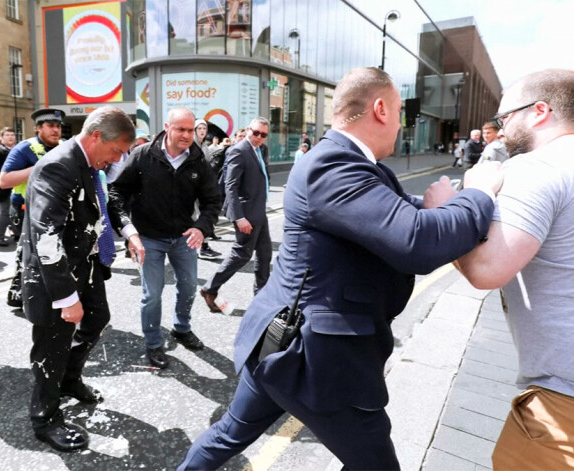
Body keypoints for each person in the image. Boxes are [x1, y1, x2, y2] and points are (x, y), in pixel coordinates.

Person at [178, 67, 503, 470]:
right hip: (314, 359)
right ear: (380, 109)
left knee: (228, 433)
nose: (402, 126)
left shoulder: (349, 162)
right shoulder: (333, 163)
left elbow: (389, 211)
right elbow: (417, 241)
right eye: (400, 113)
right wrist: (479, 192)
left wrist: (441, 207)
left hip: (280, 343)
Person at [454, 69, 574, 470]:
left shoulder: (540, 167)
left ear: (540, 111)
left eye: (505, 118)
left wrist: (464, 199)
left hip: (563, 405)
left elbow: (486, 270)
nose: (499, 130)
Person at [21, 106, 135, 452]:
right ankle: (45, 418)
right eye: (116, 151)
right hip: (54, 274)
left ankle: (69, 380)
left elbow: (97, 207)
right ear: (97, 136)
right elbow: (46, 234)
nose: (116, 159)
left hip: (82, 265)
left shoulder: (87, 161)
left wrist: (127, 233)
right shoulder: (60, 164)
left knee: (98, 319)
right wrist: (66, 297)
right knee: (52, 345)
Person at [108, 107, 221, 369]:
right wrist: (128, 231)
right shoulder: (143, 154)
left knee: (189, 285)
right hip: (149, 238)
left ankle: (181, 328)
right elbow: (117, 193)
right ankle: (154, 343)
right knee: (152, 295)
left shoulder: (197, 159)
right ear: (167, 128)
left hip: (183, 237)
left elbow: (212, 200)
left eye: (191, 130)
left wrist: (202, 228)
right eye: (180, 129)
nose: (186, 135)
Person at [200, 117, 273, 312]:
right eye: (255, 132)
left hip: (259, 210)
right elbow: (230, 186)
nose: (258, 137)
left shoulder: (259, 150)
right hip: (247, 213)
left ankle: (261, 297)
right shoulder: (238, 150)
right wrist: (238, 217)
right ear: (248, 129)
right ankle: (210, 288)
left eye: (263, 135)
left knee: (265, 255)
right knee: (241, 254)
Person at [0, 108, 64, 308]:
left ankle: (47, 294)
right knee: (28, 254)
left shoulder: (64, 147)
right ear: (38, 128)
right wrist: (39, 166)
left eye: (58, 126)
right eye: (50, 126)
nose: (56, 130)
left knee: (52, 253)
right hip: (25, 210)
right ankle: (21, 294)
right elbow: (4, 180)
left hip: (55, 210)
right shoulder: (25, 148)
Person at [194, 118, 221, 260]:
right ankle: (202, 247)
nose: (202, 131)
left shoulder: (205, 146)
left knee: (201, 216)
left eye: (204, 129)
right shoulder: (191, 145)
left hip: (202, 186)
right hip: (191, 186)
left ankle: (202, 246)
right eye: (199, 128)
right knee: (197, 216)